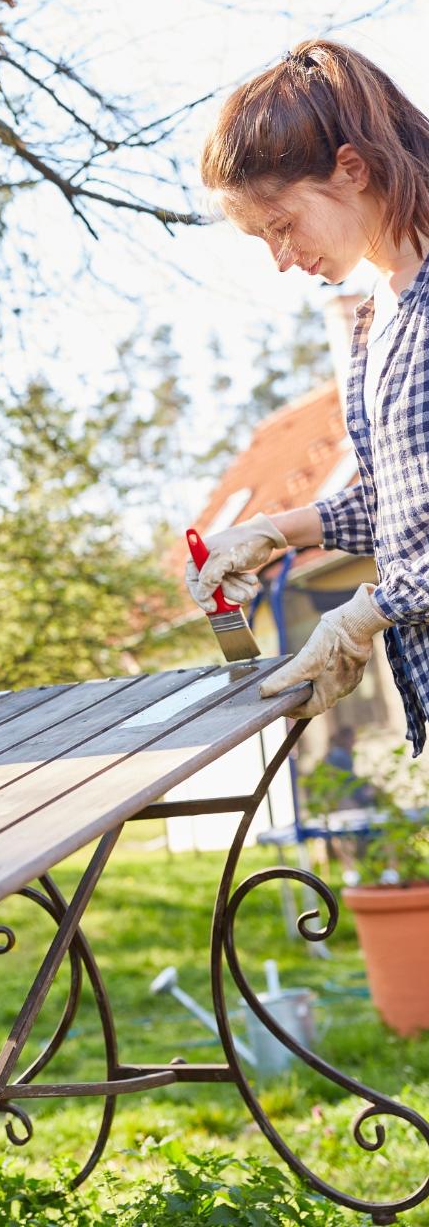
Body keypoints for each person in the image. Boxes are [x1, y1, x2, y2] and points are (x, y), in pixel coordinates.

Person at [189, 39, 429, 757]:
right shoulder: (374, 324)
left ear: (351, 168)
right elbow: (406, 512)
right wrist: (272, 532)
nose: (282, 260)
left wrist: (368, 611)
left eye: (282, 226)